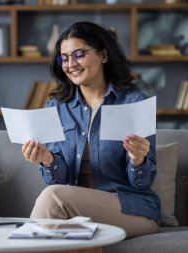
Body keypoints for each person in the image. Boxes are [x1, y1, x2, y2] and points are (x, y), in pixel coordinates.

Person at [21, 21, 160, 239]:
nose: (70, 64)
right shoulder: (57, 107)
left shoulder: (133, 102)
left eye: (79, 54)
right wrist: (46, 158)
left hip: (131, 210)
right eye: (64, 58)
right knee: (56, 228)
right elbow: (59, 179)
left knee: (53, 197)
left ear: (103, 55)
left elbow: (142, 183)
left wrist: (138, 160)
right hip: (79, 213)